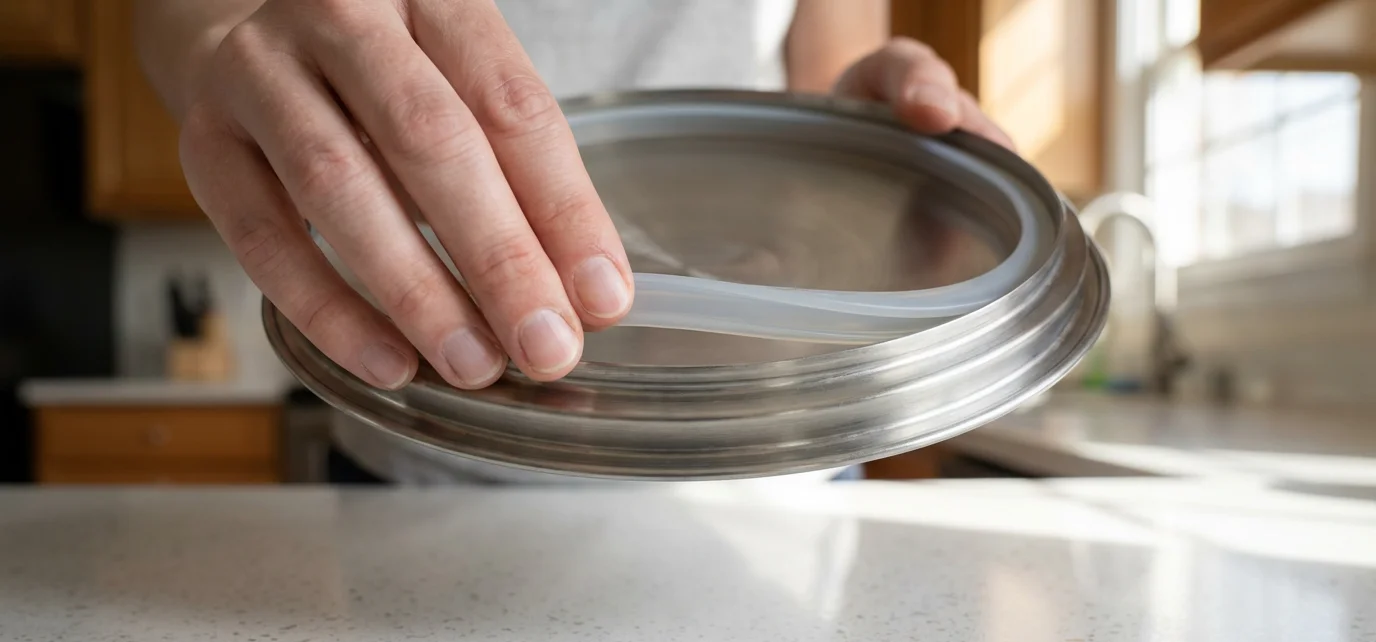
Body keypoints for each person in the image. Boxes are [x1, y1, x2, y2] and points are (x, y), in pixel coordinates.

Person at [135, 0, 1015, 484]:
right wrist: (226, 53)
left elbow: (823, 63)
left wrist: (863, 144)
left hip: (774, 461)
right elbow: (188, 20)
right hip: (426, 461)